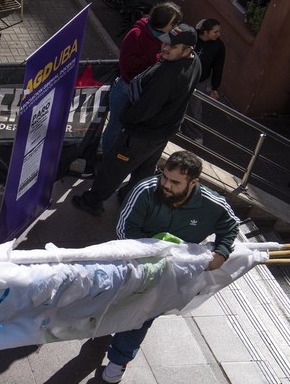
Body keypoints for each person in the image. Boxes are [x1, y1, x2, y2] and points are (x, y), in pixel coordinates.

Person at [96, 150, 239, 383]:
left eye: (175, 182)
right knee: (114, 303)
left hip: (168, 277)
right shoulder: (145, 190)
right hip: (134, 264)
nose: (165, 184)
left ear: (193, 182)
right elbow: (124, 229)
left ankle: (118, 361)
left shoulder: (213, 204)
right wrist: (160, 250)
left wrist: (221, 254)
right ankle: (105, 327)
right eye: (164, 177)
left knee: (142, 316)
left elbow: (231, 227)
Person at [72, 24, 201, 216]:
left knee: (113, 168)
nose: (164, 48)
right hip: (161, 132)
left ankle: (92, 202)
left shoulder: (168, 76)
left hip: (141, 133)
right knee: (144, 169)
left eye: (172, 47)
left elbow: (145, 108)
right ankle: (129, 196)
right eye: (165, 43)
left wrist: (126, 119)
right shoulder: (194, 61)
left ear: (187, 50)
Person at [99, 2, 183, 154]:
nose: (176, 26)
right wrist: (158, 57)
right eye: (174, 23)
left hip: (145, 91)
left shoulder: (166, 37)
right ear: (162, 23)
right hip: (126, 89)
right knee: (115, 128)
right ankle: (106, 159)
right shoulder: (136, 34)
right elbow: (126, 65)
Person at [185, 18, 225, 143]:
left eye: (219, 31)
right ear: (206, 32)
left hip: (200, 81)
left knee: (195, 108)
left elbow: (218, 67)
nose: (218, 34)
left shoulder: (219, 46)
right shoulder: (193, 37)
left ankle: (195, 133)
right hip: (183, 76)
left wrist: (215, 87)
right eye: (216, 32)